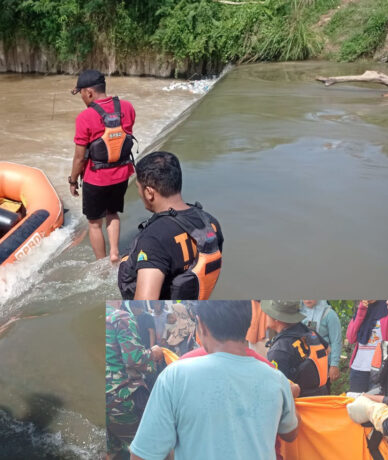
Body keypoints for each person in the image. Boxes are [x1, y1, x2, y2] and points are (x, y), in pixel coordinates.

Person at [129, 300, 299, 460]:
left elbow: (142, 455)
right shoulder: (276, 379)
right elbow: (290, 434)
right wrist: (287, 400)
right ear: (249, 323)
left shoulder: (175, 376)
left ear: (201, 325)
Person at [117, 151, 223, 300]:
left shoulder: (154, 239)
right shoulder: (211, 223)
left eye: (138, 188)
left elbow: (144, 306)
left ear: (149, 192)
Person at [68, 69, 137, 263]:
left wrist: (73, 180)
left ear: (89, 92)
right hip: (122, 174)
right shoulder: (127, 107)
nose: (81, 97)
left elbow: (79, 157)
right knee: (112, 213)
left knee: (94, 223)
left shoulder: (84, 117)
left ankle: (102, 262)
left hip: (96, 178)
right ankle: (115, 252)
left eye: (80, 93)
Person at [106, 301, 163, 459]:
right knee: (146, 449)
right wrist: (154, 353)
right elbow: (135, 359)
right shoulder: (119, 317)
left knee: (111, 449)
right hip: (121, 398)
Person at [262, 300, 330, 397]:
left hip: (300, 407)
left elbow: (277, 392)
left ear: (276, 319)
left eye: (268, 313)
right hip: (321, 398)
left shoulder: (279, 350)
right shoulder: (310, 333)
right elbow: (327, 349)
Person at [347, 300, 388, 393]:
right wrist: (361, 310)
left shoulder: (386, 309)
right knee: (356, 404)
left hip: (380, 370)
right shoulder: (362, 309)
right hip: (358, 368)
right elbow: (351, 338)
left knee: (376, 405)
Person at [301, 300, 343, 388]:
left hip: (323, 363)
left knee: (322, 392)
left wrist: (334, 365)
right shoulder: (297, 313)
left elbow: (336, 341)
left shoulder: (329, 314)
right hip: (303, 363)